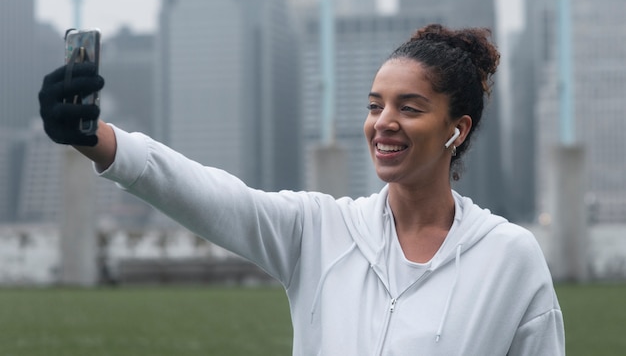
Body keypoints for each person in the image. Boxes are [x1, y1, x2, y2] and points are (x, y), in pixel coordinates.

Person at [38, 24, 565, 355]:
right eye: (374, 104)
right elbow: (208, 195)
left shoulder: (508, 256)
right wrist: (98, 140)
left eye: (409, 107)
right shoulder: (319, 229)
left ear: (459, 128)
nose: (383, 122)